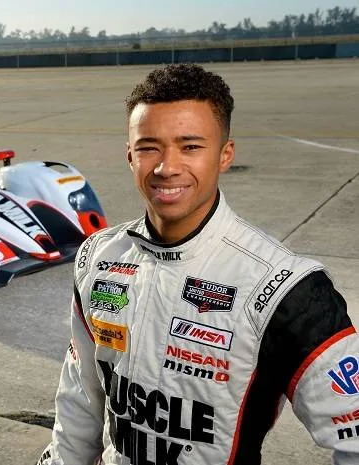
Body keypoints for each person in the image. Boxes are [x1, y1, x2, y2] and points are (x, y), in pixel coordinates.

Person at [37, 63, 359, 465]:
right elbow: (80, 403)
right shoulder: (98, 257)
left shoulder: (284, 287)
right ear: (130, 155)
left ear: (225, 155)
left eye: (190, 146)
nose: (166, 167)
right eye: (149, 147)